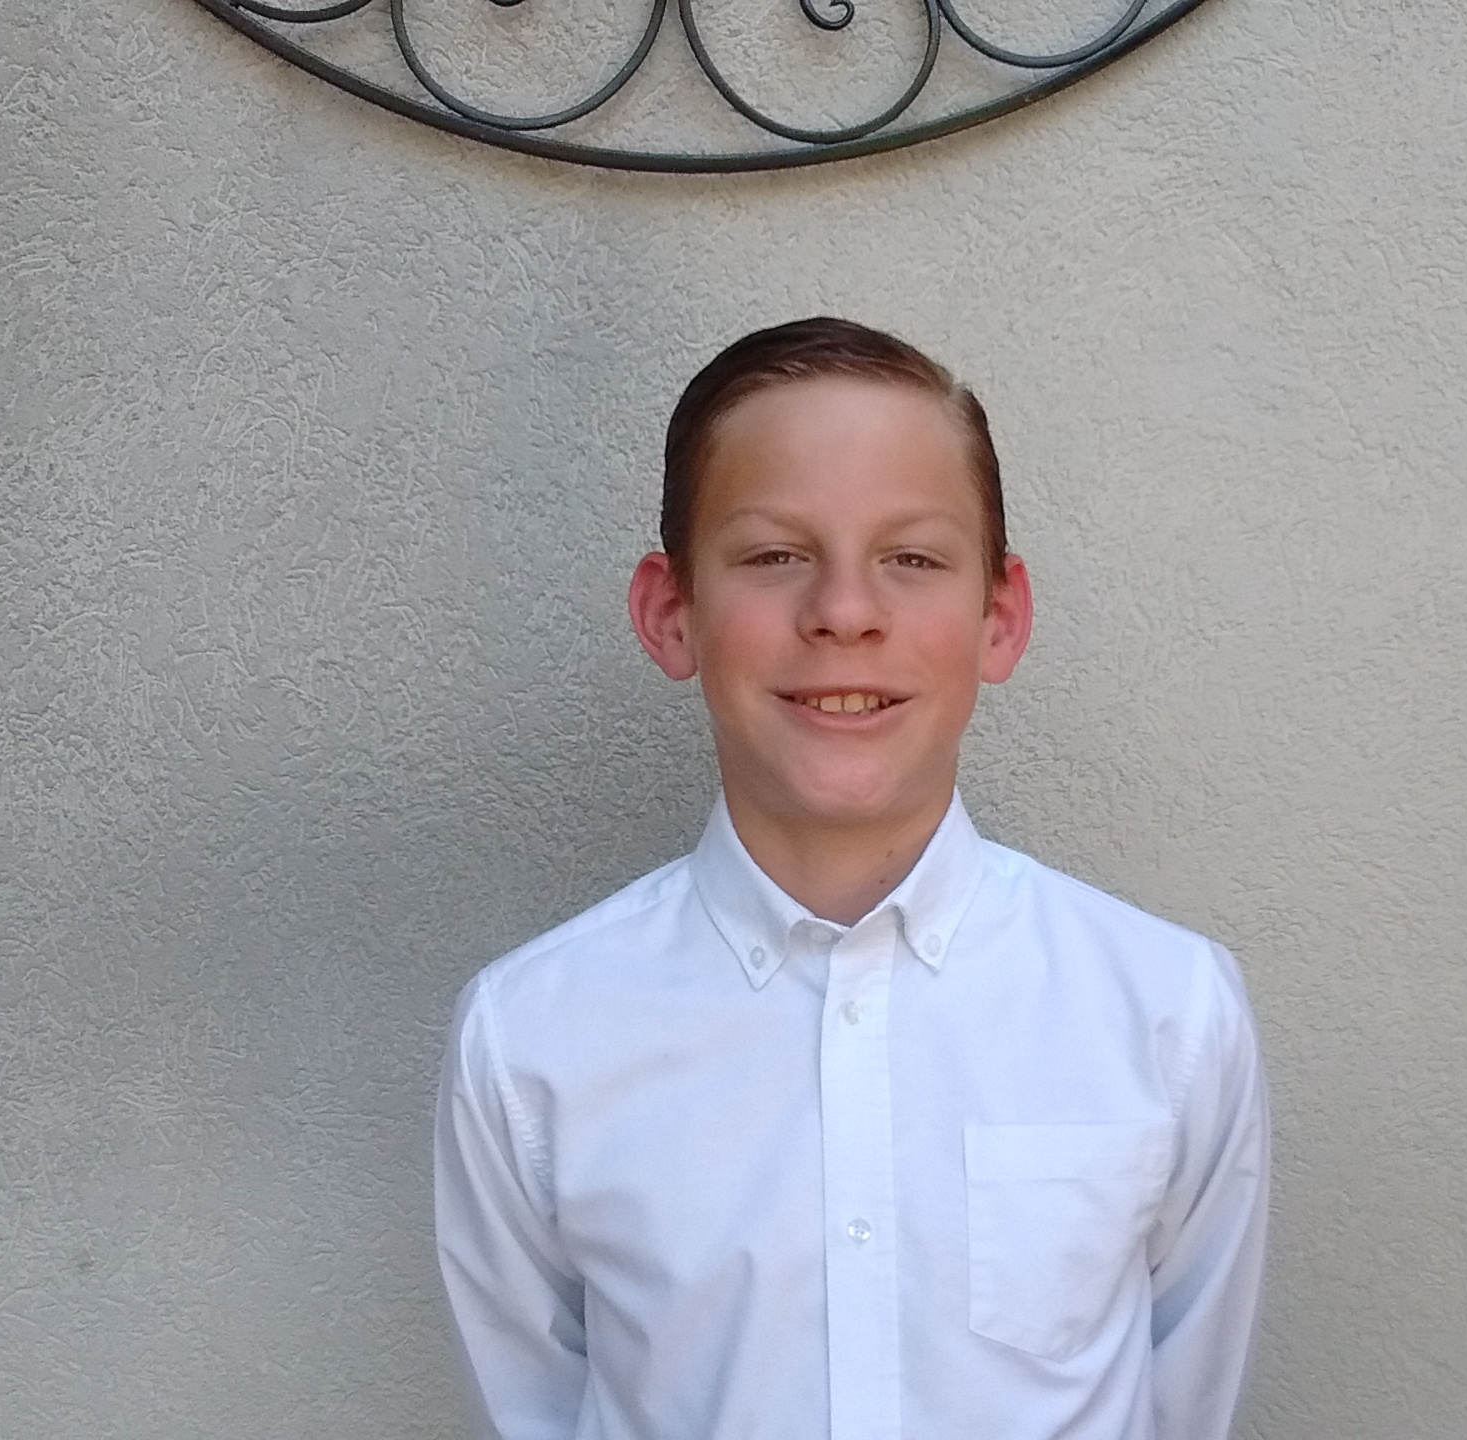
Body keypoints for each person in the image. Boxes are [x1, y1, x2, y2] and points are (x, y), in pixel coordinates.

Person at [435, 317, 1268, 1440]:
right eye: (775, 556)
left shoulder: (1167, 1012)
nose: (844, 612)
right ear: (671, 613)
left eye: (911, 559)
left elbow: (1185, 1404)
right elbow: (532, 1407)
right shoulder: (531, 1040)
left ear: (999, 618)